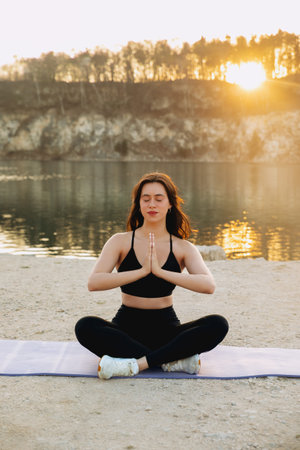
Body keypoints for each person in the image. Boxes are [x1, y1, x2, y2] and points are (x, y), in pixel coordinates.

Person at [75, 172, 228, 379]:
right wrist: (141, 271)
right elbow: (94, 283)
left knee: (218, 324)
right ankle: (170, 360)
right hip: (125, 329)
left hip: (167, 330)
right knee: (85, 326)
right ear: (139, 205)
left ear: (170, 204)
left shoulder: (183, 247)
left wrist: (160, 272)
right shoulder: (120, 241)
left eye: (158, 199)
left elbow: (208, 285)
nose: (152, 204)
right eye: (145, 199)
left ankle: (138, 363)